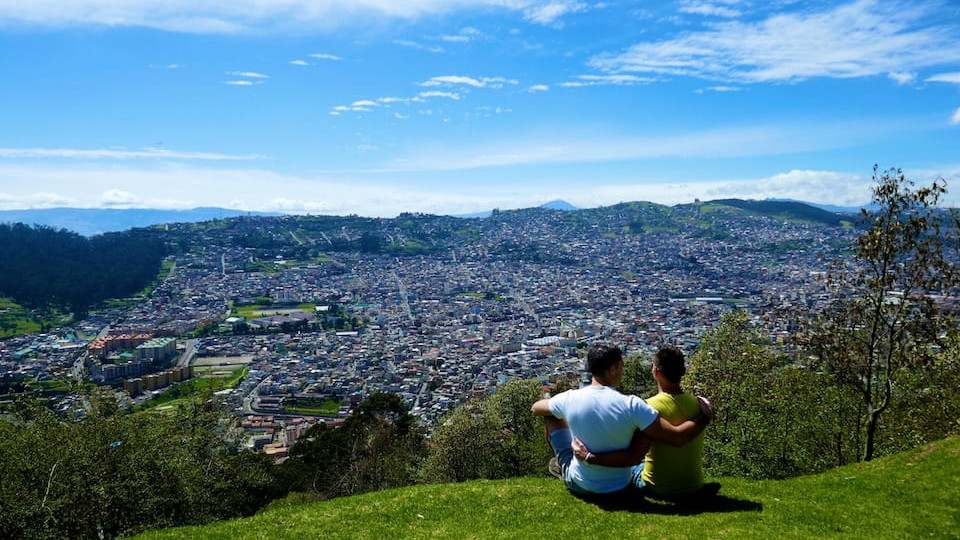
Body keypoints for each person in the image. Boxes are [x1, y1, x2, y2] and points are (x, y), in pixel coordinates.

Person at [531, 344, 711, 496]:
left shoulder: (570, 398)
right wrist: (704, 416)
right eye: (622, 366)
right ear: (612, 370)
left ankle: (562, 465)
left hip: (580, 482)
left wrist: (572, 420)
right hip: (620, 485)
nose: (624, 370)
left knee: (550, 415)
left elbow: (536, 408)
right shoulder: (633, 405)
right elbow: (675, 438)